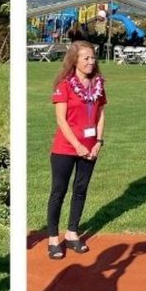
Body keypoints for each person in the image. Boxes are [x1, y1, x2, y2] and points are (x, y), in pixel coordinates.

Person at [46, 41, 106, 259]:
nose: (91, 62)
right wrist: (78, 145)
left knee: (80, 190)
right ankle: (53, 238)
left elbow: (100, 114)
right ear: (75, 61)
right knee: (58, 192)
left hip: (90, 148)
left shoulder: (98, 84)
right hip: (65, 148)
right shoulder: (64, 85)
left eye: (92, 58)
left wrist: (98, 141)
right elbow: (61, 120)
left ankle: (72, 233)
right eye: (86, 58)